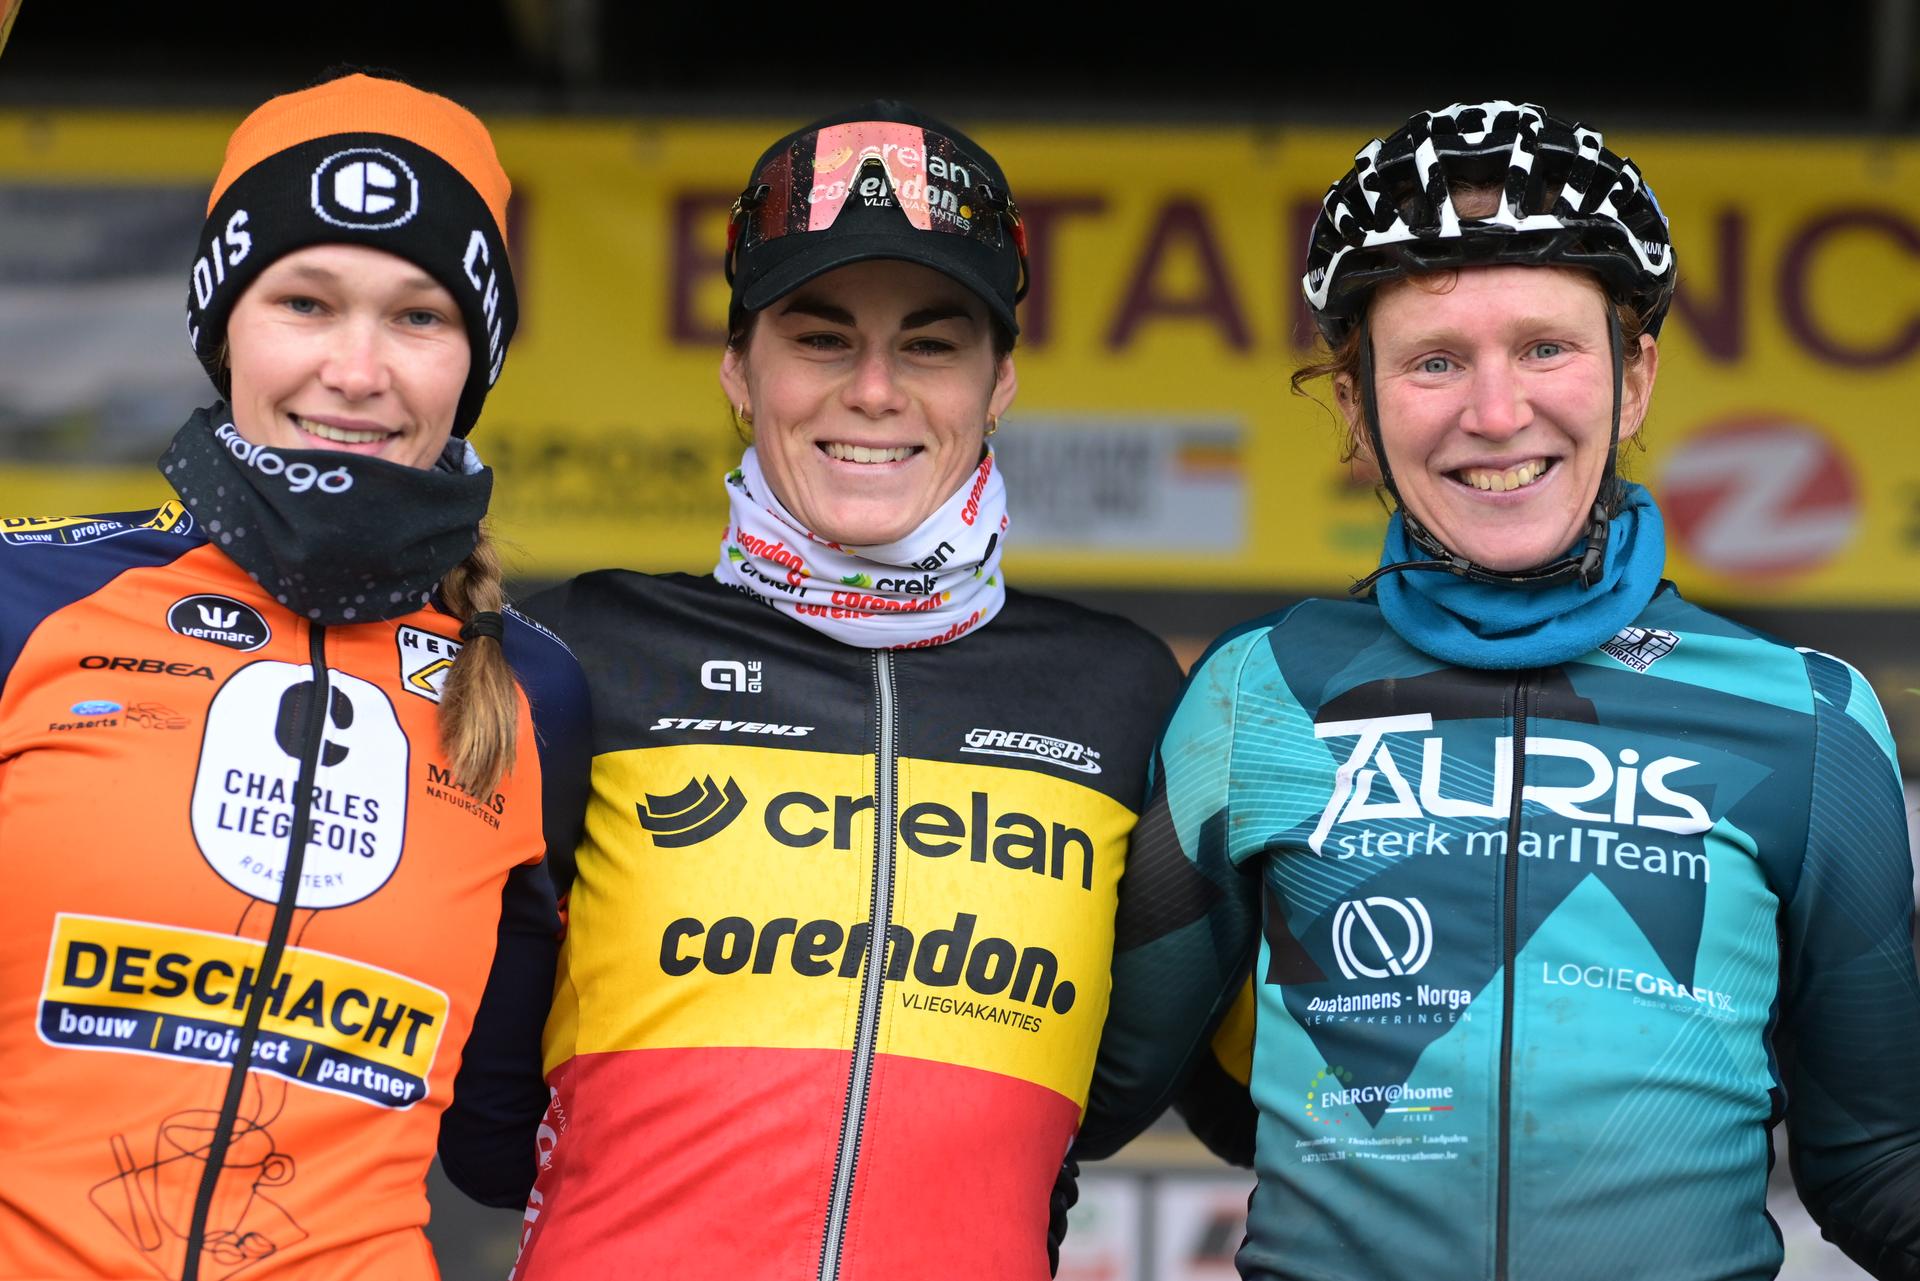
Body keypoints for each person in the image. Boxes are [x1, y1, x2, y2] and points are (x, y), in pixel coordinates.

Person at [1074, 100, 1920, 1281]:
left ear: (1635, 377)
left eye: (1545, 347)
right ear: (1358, 408)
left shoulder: (1809, 715)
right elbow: (1089, 1102)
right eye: (1433, 361)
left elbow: (1879, 1159)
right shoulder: (1254, 695)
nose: (1495, 413)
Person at [505, 102, 1183, 1279]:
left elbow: (1110, 1085)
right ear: (736, 369)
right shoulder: (585, 649)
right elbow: (477, 1087)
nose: (874, 390)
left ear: (1001, 383)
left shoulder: (1117, 691)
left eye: (931, 344)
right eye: (820, 339)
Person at [0, 71, 589, 1279]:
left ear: (474, 362)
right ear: (227, 329)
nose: (357, 370)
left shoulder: (539, 695)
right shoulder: (24, 607)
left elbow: (499, 1144)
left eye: (419, 317)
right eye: (307, 303)